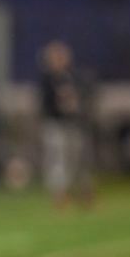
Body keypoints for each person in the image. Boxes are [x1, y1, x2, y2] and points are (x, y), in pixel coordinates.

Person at [39, 40, 94, 208]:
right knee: (57, 161)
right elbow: (44, 104)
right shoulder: (47, 80)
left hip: (73, 124)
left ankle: (82, 192)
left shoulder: (74, 76)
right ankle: (60, 195)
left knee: (77, 160)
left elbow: (86, 97)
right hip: (55, 124)